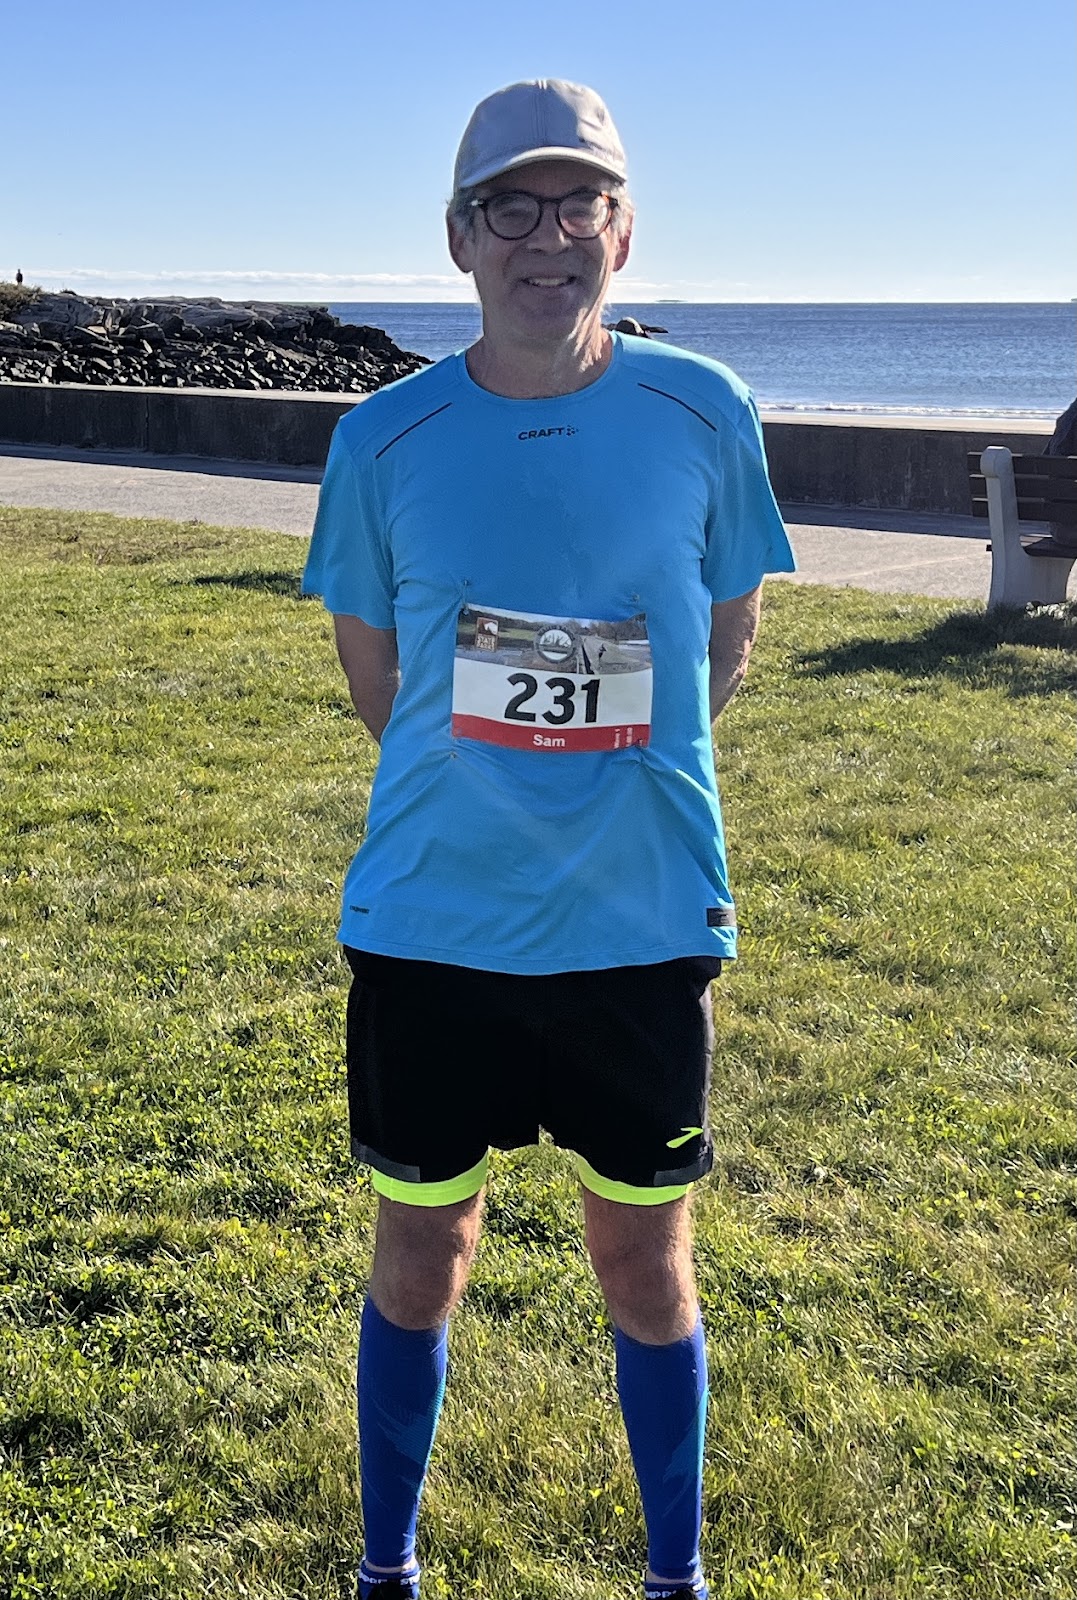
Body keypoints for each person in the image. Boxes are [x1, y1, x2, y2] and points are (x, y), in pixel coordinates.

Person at [302, 78, 796, 1600]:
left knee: (645, 1262)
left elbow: (721, 645)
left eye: (579, 204)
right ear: (459, 238)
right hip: (434, 924)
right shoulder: (382, 439)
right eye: (509, 207)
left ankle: (674, 1577)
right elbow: (381, 683)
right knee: (420, 1256)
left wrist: (605, 764)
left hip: (638, 922)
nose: (547, 237)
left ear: (622, 234)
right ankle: (385, 1569)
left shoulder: (703, 412)